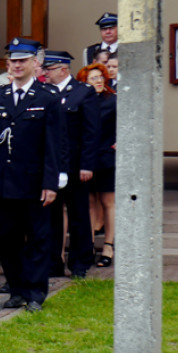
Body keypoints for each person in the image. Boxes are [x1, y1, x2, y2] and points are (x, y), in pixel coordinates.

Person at [0, 38, 61, 312]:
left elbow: (55, 145)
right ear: (8, 65)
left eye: (23, 60)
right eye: (13, 60)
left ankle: (35, 293)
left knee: (37, 239)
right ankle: (17, 289)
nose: (18, 65)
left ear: (35, 64)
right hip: (1, 182)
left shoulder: (48, 98)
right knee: (6, 239)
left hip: (34, 182)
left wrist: (51, 182)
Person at [42, 50, 100, 279]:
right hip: (52, 165)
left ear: (63, 69)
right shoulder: (45, 92)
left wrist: (87, 164)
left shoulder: (82, 92)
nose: (45, 73)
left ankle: (80, 262)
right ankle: (53, 262)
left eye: (49, 69)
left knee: (78, 214)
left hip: (76, 165)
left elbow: (91, 132)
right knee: (51, 216)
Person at [78, 62, 117, 267]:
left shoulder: (112, 100)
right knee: (89, 203)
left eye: (101, 77)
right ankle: (90, 245)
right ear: (84, 82)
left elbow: (125, 124)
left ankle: (109, 245)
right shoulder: (82, 100)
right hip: (86, 159)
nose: (99, 81)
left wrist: (119, 141)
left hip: (106, 158)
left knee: (108, 203)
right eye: (93, 78)